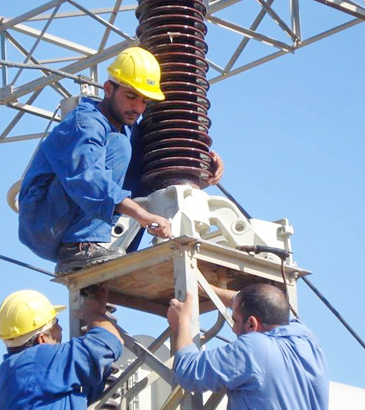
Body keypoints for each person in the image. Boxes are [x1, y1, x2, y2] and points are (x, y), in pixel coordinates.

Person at [18, 46, 224, 274]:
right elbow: (88, 179)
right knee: (120, 146)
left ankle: (113, 248)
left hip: (68, 218)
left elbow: (157, 160)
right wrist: (142, 214)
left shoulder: (128, 129)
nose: (138, 108)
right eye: (130, 96)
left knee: (144, 156)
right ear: (108, 89)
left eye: (144, 101)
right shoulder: (85, 123)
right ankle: (80, 247)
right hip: (43, 221)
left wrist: (199, 163)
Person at [166, 282, 329, 410]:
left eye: (235, 321)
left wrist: (181, 322)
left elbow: (188, 371)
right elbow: (268, 303)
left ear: (252, 324)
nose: (234, 329)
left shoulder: (255, 348)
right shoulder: (307, 339)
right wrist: (210, 290)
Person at [0, 287, 123, 410]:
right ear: (42, 339)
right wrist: (92, 314)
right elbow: (109, 340)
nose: (61, 329)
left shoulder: (16, 371)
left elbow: (86, 390)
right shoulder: (39, 361)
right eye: (56, 324)